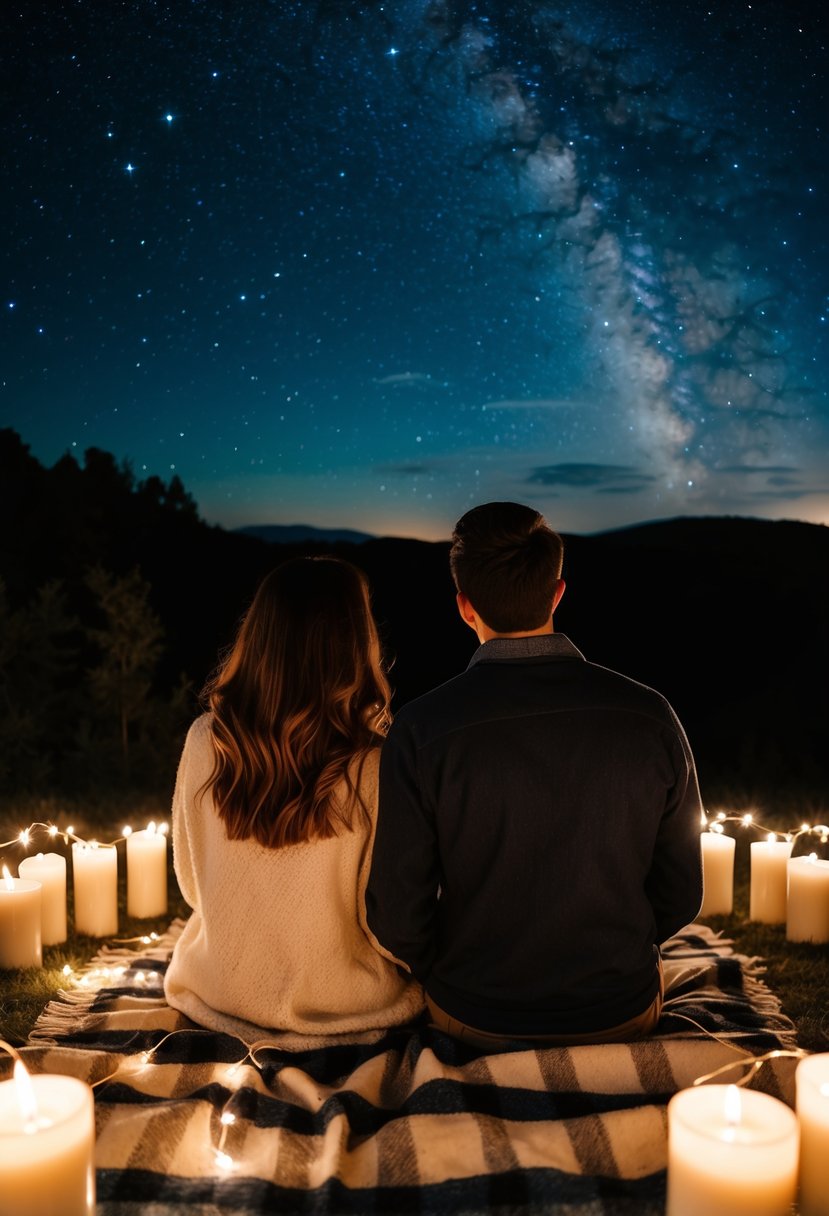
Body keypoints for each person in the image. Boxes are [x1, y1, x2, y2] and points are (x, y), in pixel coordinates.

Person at [364, 501, 703, 1050]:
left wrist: (454, 972)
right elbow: (681, 891)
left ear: (464, 607)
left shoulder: (421, 729)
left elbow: (397, 913)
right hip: (618, 1011)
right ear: (557, 593)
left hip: (474, 1016)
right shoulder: (650, 715)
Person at [164, 555, 425, 1041]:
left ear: (259, 638)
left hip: (221, 987)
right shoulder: (373, 764)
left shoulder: (205, 740)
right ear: (354, 644)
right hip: (340, 1002)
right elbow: (383, 922)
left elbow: (191, 887)